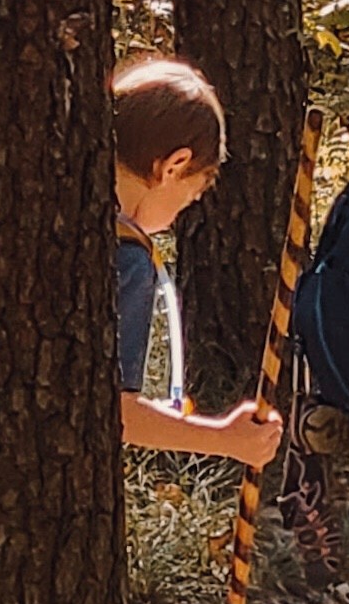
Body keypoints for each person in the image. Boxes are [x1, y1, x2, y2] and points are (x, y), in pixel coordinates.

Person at [113, 56, 284, 468]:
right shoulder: (128, 259)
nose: (178, 215)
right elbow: (111, 412)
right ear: (173, 166)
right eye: (190, 197)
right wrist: (226, 440)